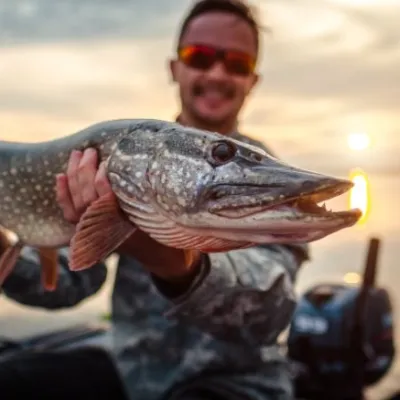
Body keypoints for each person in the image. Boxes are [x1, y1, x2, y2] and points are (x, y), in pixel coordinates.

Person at [0, 1, 310, 399]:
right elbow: (69, 283)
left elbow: (269, 313)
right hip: (134, 374)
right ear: (174, 68)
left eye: (236, 64)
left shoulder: (268, 188)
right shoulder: (126, 158)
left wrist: (177, 264)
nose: (217, 74)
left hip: (237, 384)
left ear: (253, 80)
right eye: (199, 57)